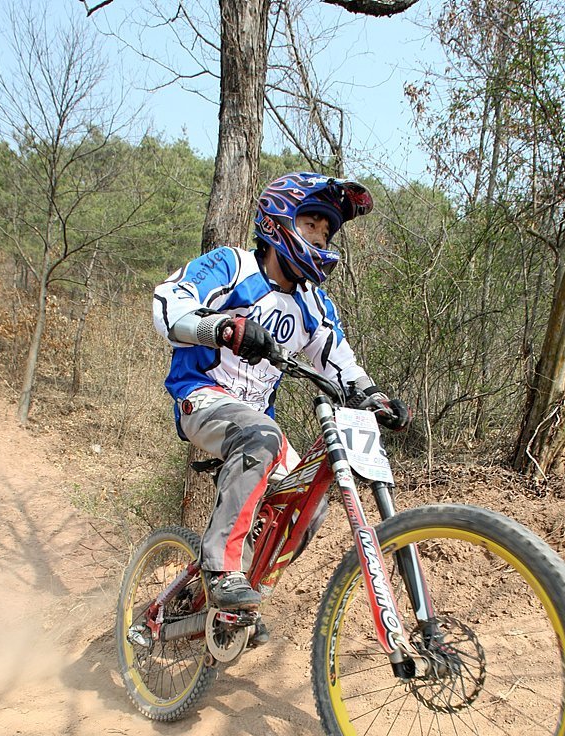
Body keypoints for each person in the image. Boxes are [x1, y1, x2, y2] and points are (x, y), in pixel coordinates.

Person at [152, 172, 408, 635]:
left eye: (327, 233)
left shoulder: (313, 303)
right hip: (201, 395)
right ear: (278, 221)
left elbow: (339, 361)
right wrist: (222, 328)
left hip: (255, 421)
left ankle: (240, 603)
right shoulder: (232, 266)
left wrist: (373, 395)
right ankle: (221, 567)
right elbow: (169, 304)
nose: (321, 239)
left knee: (311, 499)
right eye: (312, 225)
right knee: (263, 436)